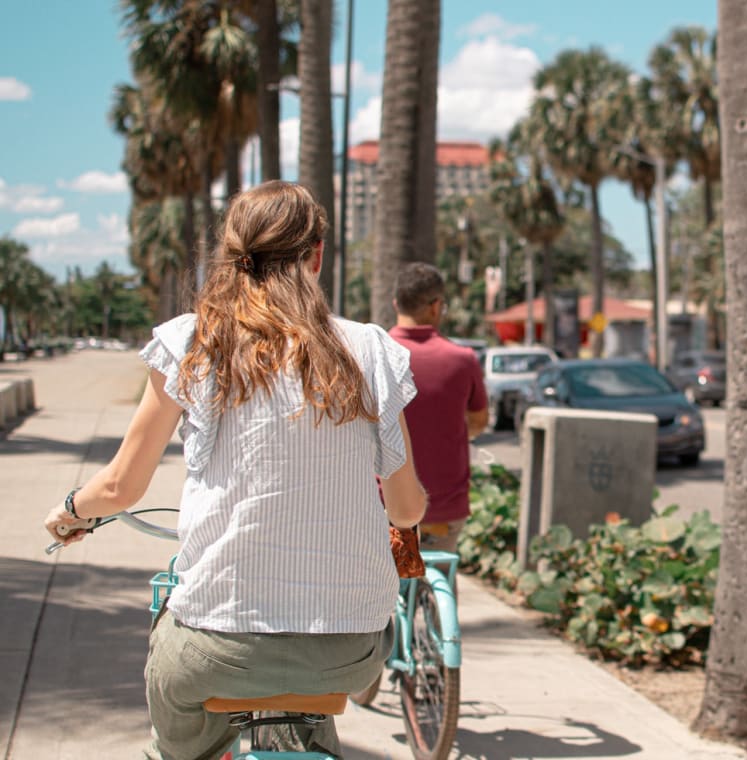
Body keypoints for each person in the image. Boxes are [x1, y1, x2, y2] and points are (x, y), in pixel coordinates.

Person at [42, 180, 426, 759]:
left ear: (234, 257)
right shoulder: (370, 350)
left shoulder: (194, 342)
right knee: (314, 704)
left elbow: (122, 485)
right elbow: (406, 509)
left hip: (218, 643)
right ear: (317, 256)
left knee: (176, 729)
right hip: (351, 645)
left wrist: (71, 512)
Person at [387, 262, 489, 554]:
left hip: (387, 505)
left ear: (396, 304)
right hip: (445, 506)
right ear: (436, 307)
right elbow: (479, 423)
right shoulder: (462, 359)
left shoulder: (374, 354)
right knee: (441, 572)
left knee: (389, 585)